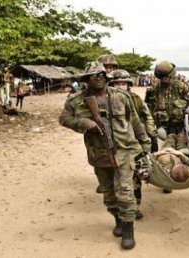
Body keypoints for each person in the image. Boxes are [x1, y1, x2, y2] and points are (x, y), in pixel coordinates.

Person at [59, 61, 151, 250]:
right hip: (98, 153)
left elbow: (135, 122)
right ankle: (117, 218)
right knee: (109, 194)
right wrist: (83, 122)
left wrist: (145, 144)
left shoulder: (121, 96)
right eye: (94, 75)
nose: (99, 78)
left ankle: (128, 229)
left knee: (125, 192)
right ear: (87, 79)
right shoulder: (76, 100)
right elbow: (64, 119)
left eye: (102, 74)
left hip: (124, 151)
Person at [109, 69, 158, 219]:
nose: (120, 86)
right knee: (116, 180)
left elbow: (147, 115)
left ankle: (135, 207)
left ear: (128, 85)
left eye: (123, 83)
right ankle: (120, 209)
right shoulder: (105, 100)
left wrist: (150, 133)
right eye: (117, 84)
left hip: (134, 143)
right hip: (114, 144)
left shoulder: (136, 99)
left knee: (136, 178)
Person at [144, 60, 189, 193]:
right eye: (162, 78)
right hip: (162, 127)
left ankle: (179, 174)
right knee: (164, 152)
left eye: (167, 77)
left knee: (182, 150)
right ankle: (166, 180)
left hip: (181, 126)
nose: (166, 80)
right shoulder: (154, 90)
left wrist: (188, 110)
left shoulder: (181, 86)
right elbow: (148, 109)